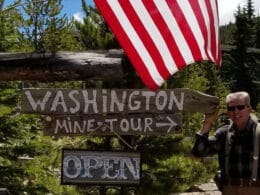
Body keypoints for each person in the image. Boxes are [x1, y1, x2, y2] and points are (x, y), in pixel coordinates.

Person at [192, 91, 260, 195]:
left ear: (249, 109)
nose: (235, 112)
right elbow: (199, 152)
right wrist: (207, 124)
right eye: (231, 108)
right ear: (228, 112)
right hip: (230, 189)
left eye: (240, 107)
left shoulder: (259, 132)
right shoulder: (223, 133)